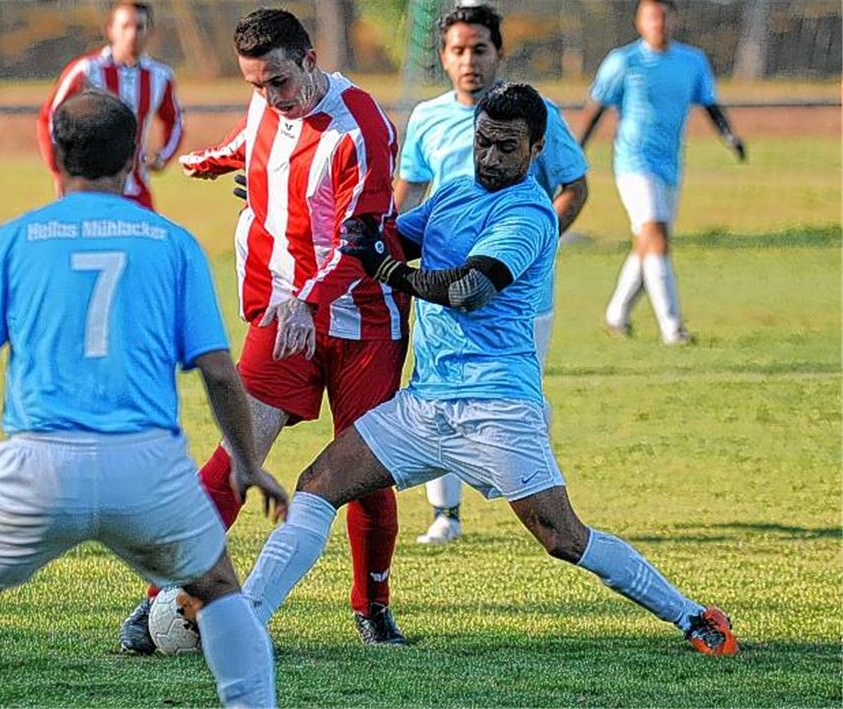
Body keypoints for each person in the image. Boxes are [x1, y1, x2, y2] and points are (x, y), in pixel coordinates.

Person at [240, 83, 739, 659]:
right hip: (426, 404)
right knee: (318, 486)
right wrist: (286, 200)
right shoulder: (453, 191)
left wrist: (385, 269)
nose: (491, 157)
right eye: (483, 142)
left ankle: (692, 616)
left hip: (496, 406)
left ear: (535, 148)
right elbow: (389, 234)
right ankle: (246, 620)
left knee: (562, 536)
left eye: (507, 147)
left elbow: (467, 289)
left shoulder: (529, 213)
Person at [0, 90, 286, 709]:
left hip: (38, 466)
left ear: (54, 152)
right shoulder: (172, 242)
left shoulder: (10, 240)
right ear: (132, 159)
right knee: (217, 590)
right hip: (147, 467)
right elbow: (217, 371)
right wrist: (246, 461)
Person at [118, 7, 412, 652]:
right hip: (284, 315)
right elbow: (252, 142)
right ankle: (157, 602)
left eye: (277, 82)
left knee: (364, 470)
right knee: (235, 456)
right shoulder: (265, 105)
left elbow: (361, 241)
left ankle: (373, 606)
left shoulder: (361, 128)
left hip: (362, 321)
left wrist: (310, 301)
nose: (268, 97)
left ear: (310, 61)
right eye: (255, 85)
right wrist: (216, 161)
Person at [396, 1, 589, 545]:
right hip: (442, 289)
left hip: (519, 294)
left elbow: (574, 185)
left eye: (479, 48)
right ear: (443, 56)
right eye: (458, 50)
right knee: (437, 392)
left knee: (513, 395)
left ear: (498, 52)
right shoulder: (429, 118)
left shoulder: (538, 112)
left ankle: (531, 490)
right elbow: (406, 196)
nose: (469, 60)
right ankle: (446, 515)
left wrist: (534, 244)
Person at [580, 0, 745, 345]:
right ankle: (673, 328)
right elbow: (597, 106)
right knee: (656, 235)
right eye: (651, 16)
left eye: (664, 16)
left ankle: (616, 314)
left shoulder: (692, 61)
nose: (658, 23)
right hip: (633, 161)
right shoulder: (623, 61)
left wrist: (730, 137)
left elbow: (710, 104)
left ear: (674, 19)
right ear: (640, 22)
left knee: (647, 241)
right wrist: (576, 150)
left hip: (670, 163)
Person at [36, 1, 184, 210]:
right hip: (85, 186)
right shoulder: (87, 70)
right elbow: (50, 116)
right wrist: (59, 166)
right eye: (125, 26)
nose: (132, 34)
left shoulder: (160, 77)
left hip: (136, 187)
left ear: (151, 31)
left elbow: (175, 121)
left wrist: (163, 156)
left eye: (139, 27)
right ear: (111, 30)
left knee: (142, 239)